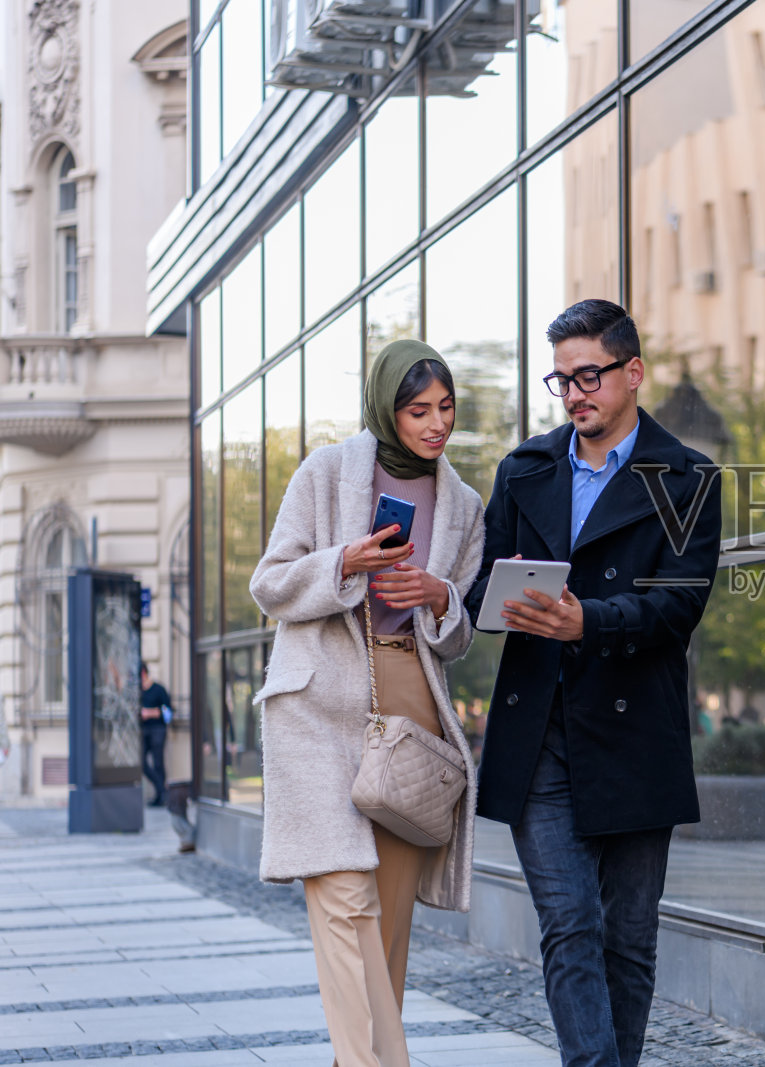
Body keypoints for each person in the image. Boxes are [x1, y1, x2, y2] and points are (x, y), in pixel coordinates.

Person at [465, 299, 721, 1067]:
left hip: (636, 733)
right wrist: (500, 595)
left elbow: (680, 603)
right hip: (538, 732)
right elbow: (480, 587)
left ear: (631, 372)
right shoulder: (524, 469)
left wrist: (590, 621)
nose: (574, 393)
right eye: (562, 379)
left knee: (629, 940)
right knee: (570, 924)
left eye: (589, 376)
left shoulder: (688, 478)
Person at [249, 340, 485, 1067]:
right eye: (419, 411)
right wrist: (345, 562)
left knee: (387, 928)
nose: (437, 424)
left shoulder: (464, 505)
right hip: (320, 703)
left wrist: (439, 598)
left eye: (446, 408)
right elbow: (270, 584)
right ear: (387, 408)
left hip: (410, 702)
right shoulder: (325, 472)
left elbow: (458, 637)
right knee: (347, 899)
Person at [139, 662, 171, 807]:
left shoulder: (159, 690)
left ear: (143, 673)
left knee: (158, 762)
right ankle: (161, 789)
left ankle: (161, 796)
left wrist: (150, 713)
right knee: (141, 762)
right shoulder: (137, 691)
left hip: (158, 729)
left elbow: (168, 713)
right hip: (143, 730)